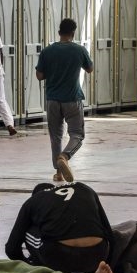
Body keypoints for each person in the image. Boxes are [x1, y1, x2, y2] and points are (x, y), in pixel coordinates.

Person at [5, 182, 113, 273]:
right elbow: (109, 234)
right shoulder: (84, 188)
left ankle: (41, 271)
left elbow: (11, 249)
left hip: (58, 258)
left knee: (27, 230)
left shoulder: (33, 200)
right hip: (97, 257)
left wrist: (27, 266)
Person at [35, 18, 94, 182]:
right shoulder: (79, 50)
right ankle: (65, 157)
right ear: (73, 33)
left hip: (52, 100)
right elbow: (90, 69)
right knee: (77, 135)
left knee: (56, 137)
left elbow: (39, 75)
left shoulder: (47, 51)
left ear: (59, 32)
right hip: (72, 99)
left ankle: (58, 172)